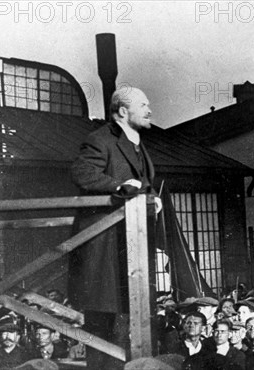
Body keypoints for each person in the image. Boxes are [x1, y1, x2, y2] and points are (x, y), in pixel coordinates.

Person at [69, 87, 159, 369]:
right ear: (122, 111)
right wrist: (118, 186)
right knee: (102, 326)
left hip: (131, 248)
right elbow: (83, 173)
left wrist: (151, 197)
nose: (150, 110)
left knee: (128, 325)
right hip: (104, 250)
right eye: (143, 105)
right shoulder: (100, 139)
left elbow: (142, 183)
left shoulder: (138, 142)